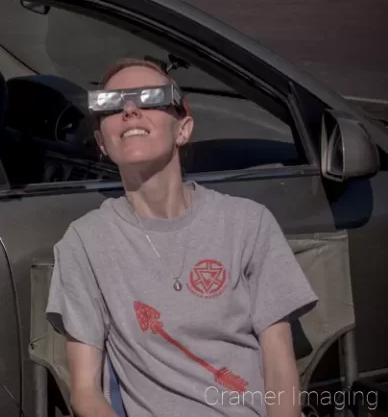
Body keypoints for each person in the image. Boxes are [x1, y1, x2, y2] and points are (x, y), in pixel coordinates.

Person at [45, 58, 318, 417]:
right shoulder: (86, 241)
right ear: (102, 142)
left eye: (151, 99)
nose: (130, 110)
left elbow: (280, 370)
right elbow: (85, 393)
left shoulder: (248, 223)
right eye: (111, 104)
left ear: (183, 129)